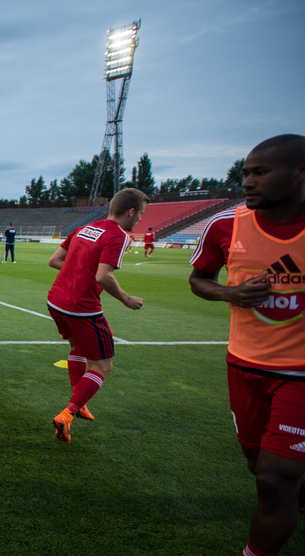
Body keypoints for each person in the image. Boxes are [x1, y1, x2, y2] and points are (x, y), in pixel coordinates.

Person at [188, 134, 305, 556]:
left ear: (300, 173)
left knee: (274, 479)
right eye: (245, 173)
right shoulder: (226, 224)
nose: (248, 182)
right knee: (259, 465)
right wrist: (230, 293)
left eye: (261, 172)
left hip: (300, 374)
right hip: (244, 365)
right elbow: (199, 279)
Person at [47, 187, 147, 443]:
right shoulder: (119, 235)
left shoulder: (84, 228)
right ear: (131, 211)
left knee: (78, 349)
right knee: (103, 365)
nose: (140, 219)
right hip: (81, 308)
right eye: (140, 214)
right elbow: (104, 276)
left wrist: (79, 273)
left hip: (56, 300)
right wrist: (126, 299)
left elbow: (55, 260)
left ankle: (79, 402)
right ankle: (68, 414)